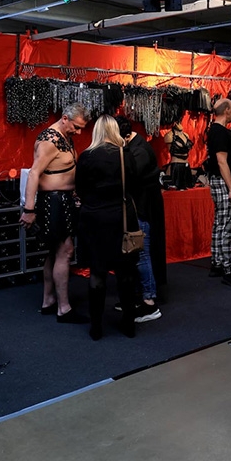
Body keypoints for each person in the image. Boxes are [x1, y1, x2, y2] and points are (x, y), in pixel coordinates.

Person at [76, 115, 141, 340]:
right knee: (126, 272)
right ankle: (129, 324)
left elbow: (80, 189)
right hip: (122, 218)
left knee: (97, 272)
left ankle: (96, 327)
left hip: (95, 219)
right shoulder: (125, 154)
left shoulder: (86, 156)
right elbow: (134, 185)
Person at [22, 103, 88, 322]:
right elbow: (34, 173)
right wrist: (29, 209)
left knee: (55, 252)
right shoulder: (49, 141)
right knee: (65, 251)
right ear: (65, 118)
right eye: (76, 127)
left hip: (63, 200)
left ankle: (48, 300)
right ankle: (63, 308)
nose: (79, 132)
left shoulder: (64, 136)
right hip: (53, 201)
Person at [118, 117, 162, 321]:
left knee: (141, 254)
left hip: (141, 209)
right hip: (138, 207)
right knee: (136, 254)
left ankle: (149, 302)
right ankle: (139, 297)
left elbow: (129, 178)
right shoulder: (135, 147)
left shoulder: (139, 151)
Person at [206, 98, 231, 286]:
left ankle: (217, 263)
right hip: (223, 182)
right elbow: (221, 162)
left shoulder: (215, 130)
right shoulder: (219, 132)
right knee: (226, 224)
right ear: (226, 110)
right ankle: (228, 268)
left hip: (218, 181)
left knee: (220, 223)